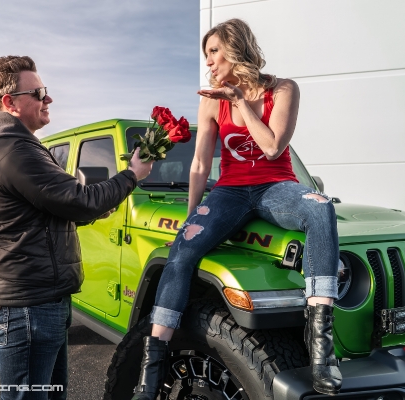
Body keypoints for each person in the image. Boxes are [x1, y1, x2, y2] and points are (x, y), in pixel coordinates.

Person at [132, 19, 341, 399]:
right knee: (182, 251)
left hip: (276, 187)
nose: (208, 62)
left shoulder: (283, 89)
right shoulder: (210, 99)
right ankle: (152, 367)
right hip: (229, 191)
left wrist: (242, 102)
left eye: (214, 52)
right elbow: (199, 164)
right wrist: (192, 216)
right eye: (206, 54)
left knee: (319, 207)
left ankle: (322, 350)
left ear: (235, 47)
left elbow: (273, 147)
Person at [0, 55, 153, 400]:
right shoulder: (12, 150)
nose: (48, 99)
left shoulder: (19, 145)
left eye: (45, 91)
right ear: (9, 103)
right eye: (38, 92)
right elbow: (76, 200)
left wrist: (95, 205)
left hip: (38, 300)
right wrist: (132, 174)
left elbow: (58, 208)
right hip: (28, 305)